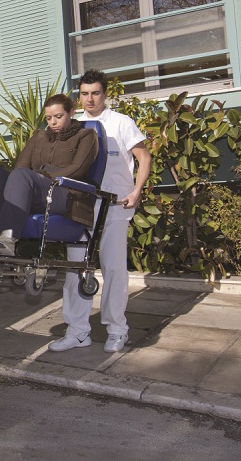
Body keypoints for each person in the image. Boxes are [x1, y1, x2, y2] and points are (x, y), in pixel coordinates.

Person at [49, 69, 151, 354]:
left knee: (113, 270)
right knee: (76, 270)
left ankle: (117, 330)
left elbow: (144, 157)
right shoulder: (73, 126)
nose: (90, 99)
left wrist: (136, 191)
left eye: (95, 93)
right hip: (79, 206)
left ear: (105, 94)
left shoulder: (121, 123)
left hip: (115, 206)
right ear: (78, 96)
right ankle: (77, 331)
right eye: (84, 94)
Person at [0, 94, 99, 256]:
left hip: (65, 193)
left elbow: (78, 169)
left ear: (71, 112)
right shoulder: (39, 137)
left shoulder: (86, 135)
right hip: (34, 191)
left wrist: (42, 177)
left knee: (22, 176)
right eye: (48, 118)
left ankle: (7, 238)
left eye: (58, 117)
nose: (53, 122)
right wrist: (34, 178)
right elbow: (21, 166)